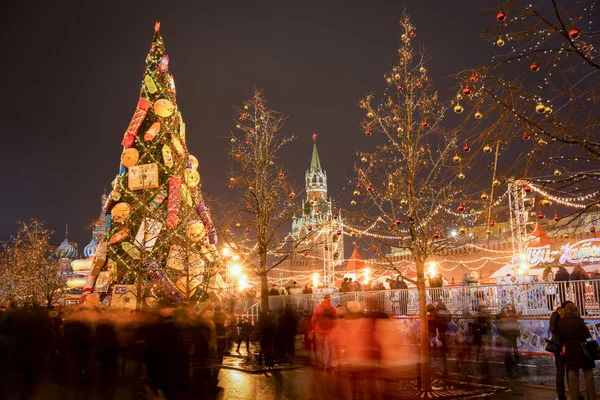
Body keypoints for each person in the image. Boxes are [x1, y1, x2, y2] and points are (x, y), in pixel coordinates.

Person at [558, 303, 597, 400]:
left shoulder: (561, 323)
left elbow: (561, 337)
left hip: (570, 351)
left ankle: (574, 397)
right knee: (588, 373)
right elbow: (587, 335)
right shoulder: (579, 321)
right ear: (576, 311)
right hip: (582, 350)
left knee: (572, 374)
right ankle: (592, 397)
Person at [550, 301, 571, 400]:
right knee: (560, 370)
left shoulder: (568, 315)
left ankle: (573, 391)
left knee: (570, 370)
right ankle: (561, 393)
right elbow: (553, 329)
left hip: (567, 344)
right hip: (558, 345)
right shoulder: (556, 314)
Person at [311, 293, 338, 370]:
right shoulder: (332, 309)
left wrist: (315, 327)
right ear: (330, 300)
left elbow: (313, 319)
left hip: (319, 330)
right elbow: (336, 319)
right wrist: (332, 327)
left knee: (319, 348)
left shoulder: (318, 308)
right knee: (328, 348)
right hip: (329, 331)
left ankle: (321, 364)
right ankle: (328, 365)